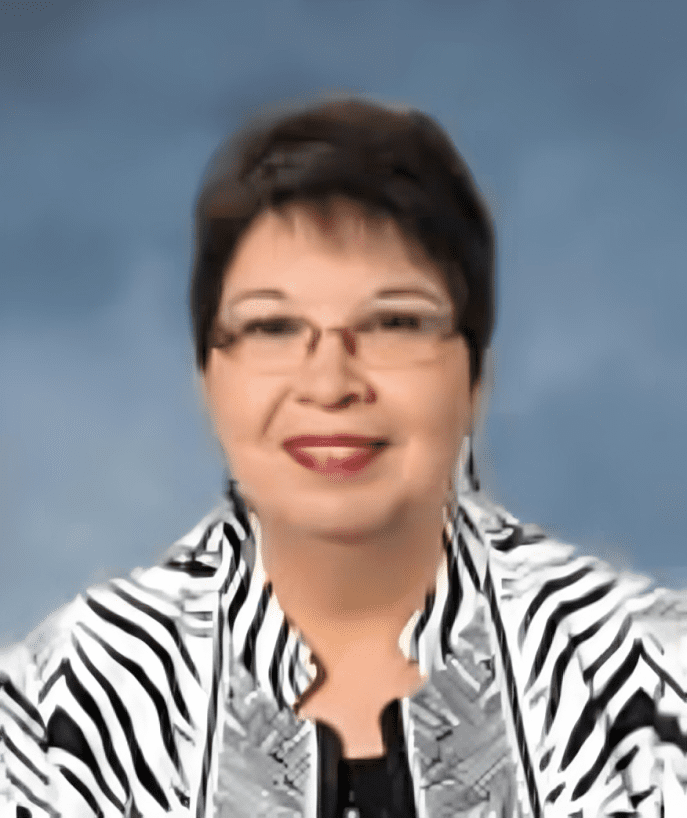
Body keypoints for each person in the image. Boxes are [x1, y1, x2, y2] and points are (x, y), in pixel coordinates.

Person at [1, 94, 686, 818]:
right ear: (209, 374)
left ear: (474, 372)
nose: (329, 382)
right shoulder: (61, 711)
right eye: (271, 327)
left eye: (393, 323)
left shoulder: (651, 690)